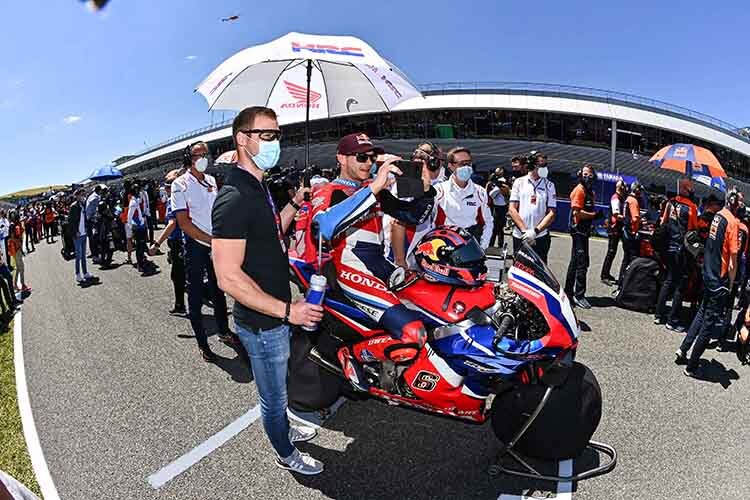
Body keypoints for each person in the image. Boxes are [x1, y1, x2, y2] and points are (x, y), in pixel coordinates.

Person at [212, 106, 324, 475]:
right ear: (243, 139)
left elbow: (272, 235)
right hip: (263, 322)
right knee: (274, 399)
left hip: (275, 312)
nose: (276, 142)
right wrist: (288, 311)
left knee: (282, 388)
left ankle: (286, 431)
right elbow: (227, 276)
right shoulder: (234, 197)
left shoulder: (258, 186)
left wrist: (294, 203)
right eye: (267, 135)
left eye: (278, 134)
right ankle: (285, 451)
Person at [310, 132, 435, 389]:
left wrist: (425, 188)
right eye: (362, 157)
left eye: (372, 157)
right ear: (341, 158)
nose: (369, 163)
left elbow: (412, 216)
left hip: (382, 265)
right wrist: (376, 185)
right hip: (351, 270)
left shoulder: (370, 190)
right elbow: (324, 227)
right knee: (413, 332)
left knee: (435, 315)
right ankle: (350, 355)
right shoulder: (328, 189)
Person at [172, 141, 235, 361]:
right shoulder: (179, 184)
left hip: (215, 243)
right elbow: (183, 223)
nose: (203, 158)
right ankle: (202, 343)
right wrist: (211, 240)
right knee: (196, 294)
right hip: (195, 246)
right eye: (198, 154)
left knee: (219, 290)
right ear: (189, 157)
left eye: (206, 154)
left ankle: (224, 331)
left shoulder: (211, 180)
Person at [676, 189, 741, 377]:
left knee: (701, 313)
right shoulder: (732, 222)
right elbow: (733, 260)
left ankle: (683, 349)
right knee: (709, 324)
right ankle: (692, 366)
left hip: (708, 273)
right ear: (735, 204)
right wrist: (730, 283)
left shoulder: (718, 216)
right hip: (719, 279)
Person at [389, 141, 445, 268]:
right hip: (408, 249)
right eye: (439, 159)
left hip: (424, 247)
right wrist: (400, 260)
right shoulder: (410, 184)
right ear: (434, 162)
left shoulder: (437, 182)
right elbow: (397, 223)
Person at [654, 179, 699, 332]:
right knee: (681, 285)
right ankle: (672, 320)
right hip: (682, 251)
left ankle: (659, 314)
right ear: (686, 189)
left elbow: (663, 222)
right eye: (691, 188)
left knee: (668, 280)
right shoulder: (692, 207)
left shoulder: (670, 203)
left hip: (668, 248)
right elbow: (693, 229)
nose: (693, 191)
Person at [433, 147, 494, 249]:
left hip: (471, 243)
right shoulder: (439, 191)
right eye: (462, 164)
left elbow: (488, 222)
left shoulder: (480, 192)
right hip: (444, 243)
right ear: (451, 166)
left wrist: (483, 246)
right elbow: (429, 223)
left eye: (468, 163)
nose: (466, 167)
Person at [508, 151, 557, 262]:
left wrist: (535, 232)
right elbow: (512, 209)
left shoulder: (550, 185)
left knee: (539, 273)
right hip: (520, 235)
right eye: (542, 165)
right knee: (520, 270)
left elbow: (552, 213)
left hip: (540, 237)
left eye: (546, 165)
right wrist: (525, 232)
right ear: (532, 165)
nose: (545, 168)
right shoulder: (519, 182)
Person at [149, 169, 186, 315]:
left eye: (168, 184)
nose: (166, 188)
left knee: (177, 275)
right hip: (186, 239)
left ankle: (180, 305)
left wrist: (157, 243)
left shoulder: (174, 200)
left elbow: (172, 224)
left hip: (178, 240)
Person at [564, 165, 601, 309]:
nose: (587, 176)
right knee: (582, 263)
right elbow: (576, 213)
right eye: (585, 174)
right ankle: (579, 295)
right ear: (580, 174)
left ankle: (568, 292)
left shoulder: (590, 191)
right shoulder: (579, 190)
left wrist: (592, 221)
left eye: (590, 174)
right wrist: (594, 216)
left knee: (575, 262)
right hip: (578, 230)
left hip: (585, 230)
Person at [617, 182, 643, 286]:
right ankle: (628, 283)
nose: (641, 193)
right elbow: (635, 218)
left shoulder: (628, 199)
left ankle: (621, 282)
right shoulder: (633, 201)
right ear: (636, 190)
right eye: (640, 190)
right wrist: (638, 227)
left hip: (625, 231)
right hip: (631, 233)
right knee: (632, 259)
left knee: (626, 258)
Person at [601, 179, 627, 285]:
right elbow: (616, 215)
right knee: (611, 252)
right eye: (624, 187)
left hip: (618, 228)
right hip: (614, 228)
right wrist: (627, 219)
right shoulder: (616, 198)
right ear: (620, 188)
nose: (626, 189)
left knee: (613, 252)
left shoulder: (621, 198)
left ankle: (606, 273)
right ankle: (604, 275)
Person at [68, 189, 95, 283]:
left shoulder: (82, 205)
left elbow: (85, 219)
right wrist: (75, 231)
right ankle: (78, 274)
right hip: (78, 234)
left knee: (83, 255)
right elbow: (71, 222)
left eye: (83, 195)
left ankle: (85, 272)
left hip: (84, 233)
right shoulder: (74, 206)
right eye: (81, 195)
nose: (83, 196)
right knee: (78, 256)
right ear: (77, 196)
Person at [127, 183, 149, 272]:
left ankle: (142, 261)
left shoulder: (137, 200)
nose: (138, 191)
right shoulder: (133, 202)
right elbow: (129, 215)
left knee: (142, 244)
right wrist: (131, 226)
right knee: (139, 247)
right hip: (137, 227)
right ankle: (140, 264)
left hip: (141, 224)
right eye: (137, 190)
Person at [487, 167, 510, 248]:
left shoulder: (504, 183)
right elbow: (490, 194)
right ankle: (491, 245)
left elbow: (506, 194)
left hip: (502, 208)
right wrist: (496, 187)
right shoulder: (493, 183)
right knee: (495, 228)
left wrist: (500, 187)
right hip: (496, 207)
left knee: (499, 229)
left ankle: (499, 245)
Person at [8, 212, 29, 293]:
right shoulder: (13, 225)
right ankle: (22, 285)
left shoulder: (13, 224)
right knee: (21, 268)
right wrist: (19, 244)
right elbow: (12, 238)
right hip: (16, 249)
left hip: (17, 249)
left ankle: (15, 285)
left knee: (18, 268)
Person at [86, 186, 102, 262]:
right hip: (92, 220)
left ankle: (93, 254)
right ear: (99, 191)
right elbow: (96, 210)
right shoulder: (96, 198)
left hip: (88, 219)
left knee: (91, 238)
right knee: (95, 238)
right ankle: (95, 256)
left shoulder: (90, 196)